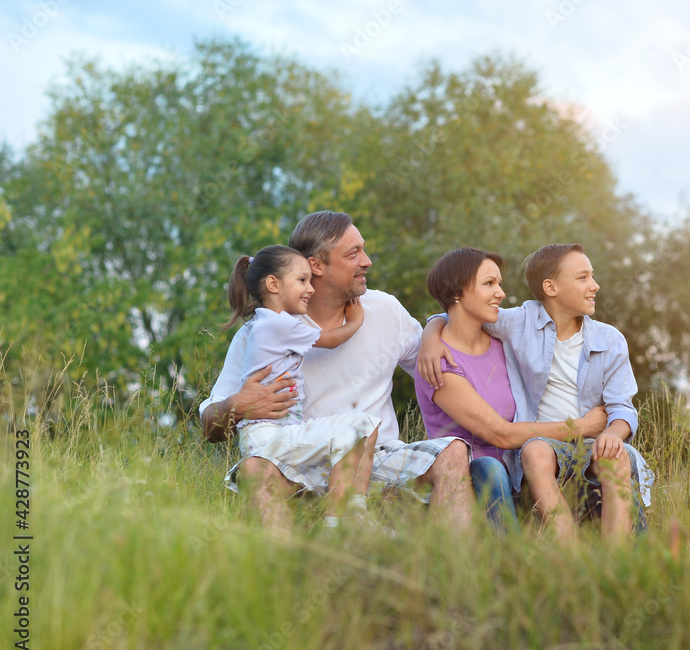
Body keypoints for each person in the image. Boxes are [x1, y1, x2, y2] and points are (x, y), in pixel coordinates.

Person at [200, 211, 475, 531]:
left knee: (453, 452)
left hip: (381, 459)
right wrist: (236, 406)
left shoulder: (385, 309)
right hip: (303, 465)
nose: (367, 261)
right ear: (316, 265)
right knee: (254, 469)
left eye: (363, 249)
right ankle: (281, 573)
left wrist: (434, 327)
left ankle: (456, 572)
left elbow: (443, 374)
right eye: (353, 253)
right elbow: (209, 424)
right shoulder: (259, 333)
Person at [420, 243, 653, 543]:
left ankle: (617, 558)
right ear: (550, 287)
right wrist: (431, 334)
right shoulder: (521, 322)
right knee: (534, 450)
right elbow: (458, 312)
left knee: (616, 456)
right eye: (582, 278)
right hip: (544, 446)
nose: (594, 286)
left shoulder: (610, 340)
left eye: (591, 277)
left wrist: (612, 434)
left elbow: (622, 408)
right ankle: (567, 549)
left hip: (594, 445)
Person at [220, 244, 381, 530]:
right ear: (273, 284)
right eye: (302, 280)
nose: (311, 289)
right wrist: (355, 322)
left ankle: (354, 511)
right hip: (266, 436)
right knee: (354, 432)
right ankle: (339, 524)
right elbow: (330, 339)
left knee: (364, 425)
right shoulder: (278, 324)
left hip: (275, 433)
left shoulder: (268, 323)